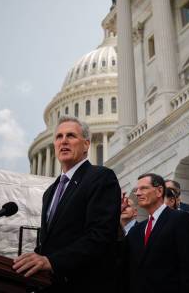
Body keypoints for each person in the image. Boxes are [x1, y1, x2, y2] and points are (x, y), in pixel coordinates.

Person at [13, 116, 121, 292]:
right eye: (59, 137)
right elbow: (53, 241)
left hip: (86, 284)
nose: (63, 141)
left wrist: (52, 261)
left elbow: (100, 235)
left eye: (70, 136)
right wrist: (34, 258)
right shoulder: (50, 192)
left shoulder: (101, 177)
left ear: (86, 144)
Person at [122, 173, 189, 293]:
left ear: (159, 191)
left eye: (143, 188)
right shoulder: (136, 230)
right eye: (136, 190)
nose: (138, 193)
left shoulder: (180, 219)